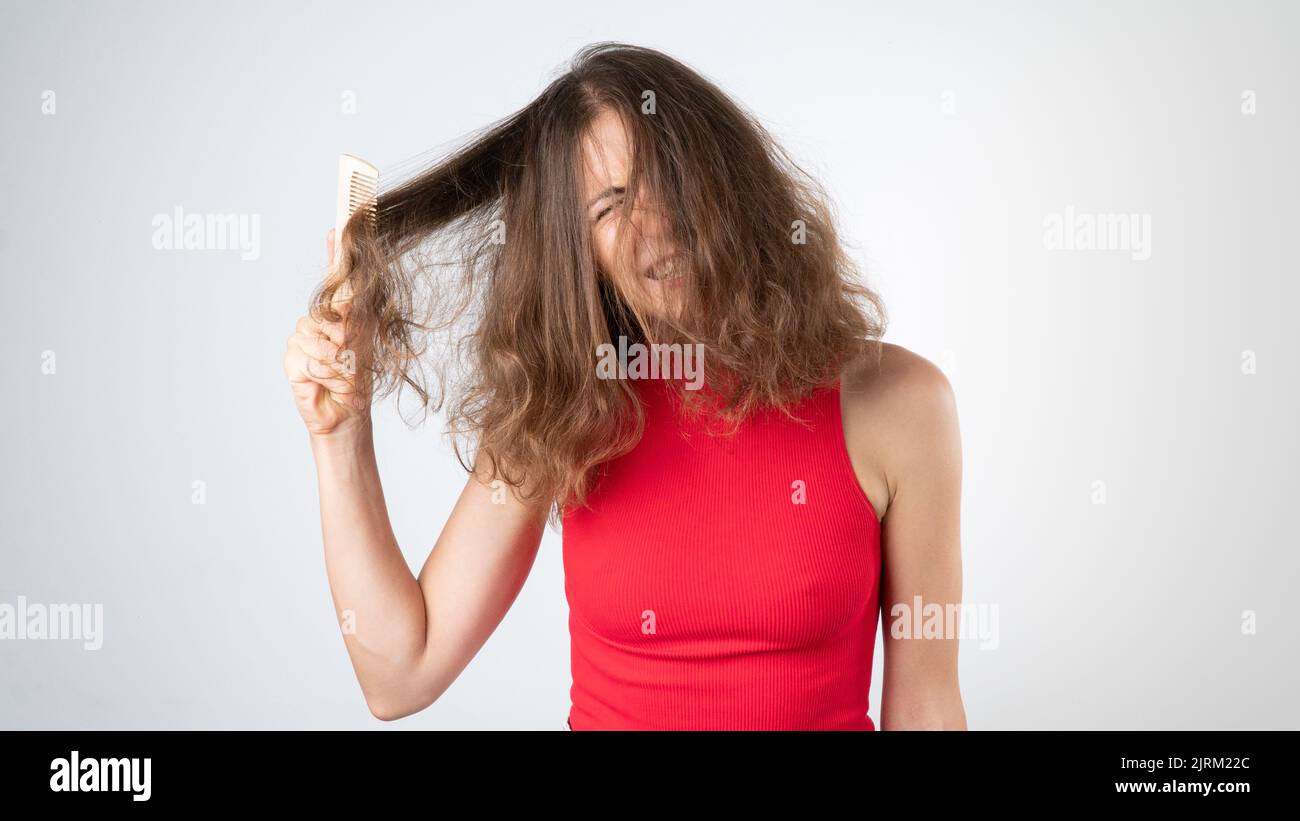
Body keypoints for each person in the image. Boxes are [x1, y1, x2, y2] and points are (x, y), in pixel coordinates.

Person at [282, 42, 965, 730]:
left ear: (730, 178)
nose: (655, 225)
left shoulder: (900, 404)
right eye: (609, 207)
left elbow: (927, 709)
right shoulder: (567, 408)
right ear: (580, 254)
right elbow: (402, 672)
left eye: (669, 177)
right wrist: (339, 436)